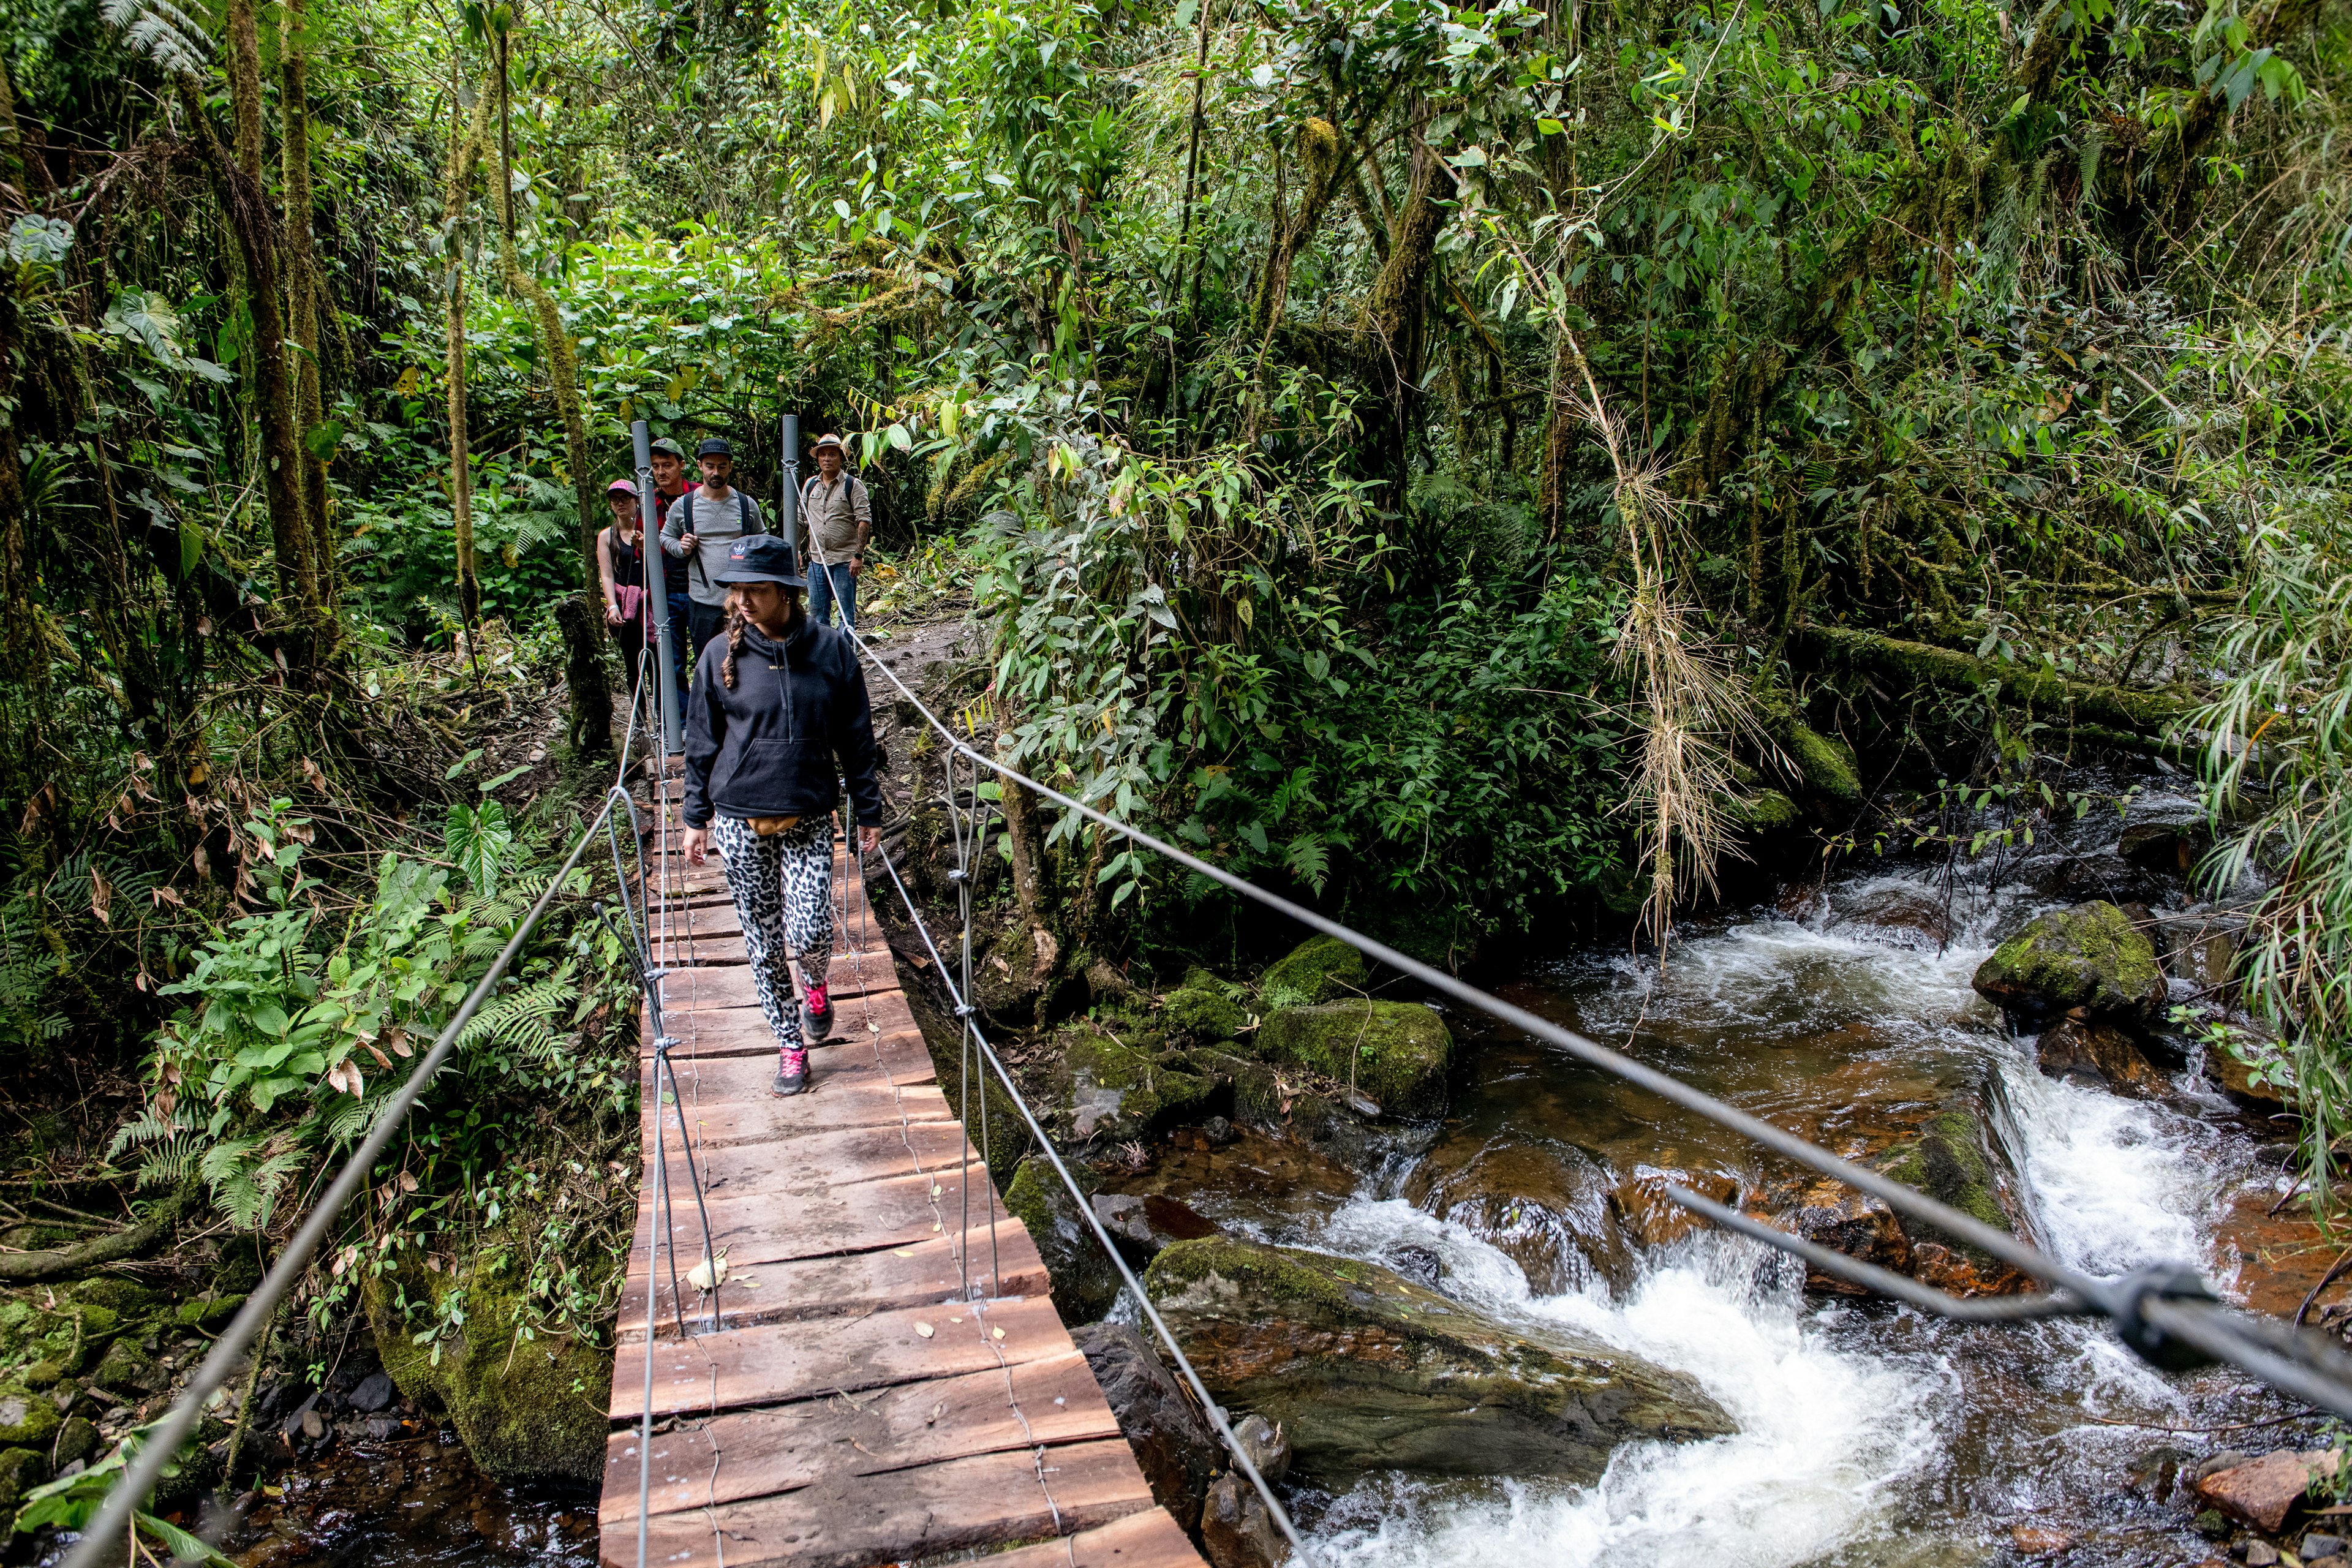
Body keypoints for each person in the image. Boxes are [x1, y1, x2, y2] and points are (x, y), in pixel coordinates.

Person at [680, 536, 884, 1096]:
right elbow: (701, 739)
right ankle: (790, 1045)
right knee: (764, 942)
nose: (743, 600)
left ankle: (815, 981)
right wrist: (694, 816)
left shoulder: (831, 649)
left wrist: (868, 808)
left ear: (788, 593)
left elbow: (857, 737)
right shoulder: (720, 653)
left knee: (811, 929)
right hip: (740, 817)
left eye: (756, 590)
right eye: (736, 590)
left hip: (812, 815)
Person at [661, 437, 766, 671]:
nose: (715, 472)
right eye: (710, 466)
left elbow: (762, 538)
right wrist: (682, 547)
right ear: (700, 466)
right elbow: (665, 537)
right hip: (703, 601)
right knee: (708, 662)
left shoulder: (745, 504)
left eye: (721, 466)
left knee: (747, 660)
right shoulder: (684, 506)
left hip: (742, 601)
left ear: (730, 466)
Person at [799, 432, 872, 630]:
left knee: (846, 613)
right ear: (818, 458)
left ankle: (847, 652)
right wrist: (797, 551)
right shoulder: (810, 486)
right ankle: (822, 655)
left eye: (832, 454)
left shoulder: (852, 485)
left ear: (841, 457)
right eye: (823, 455)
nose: (827, 459)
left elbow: (864, 520)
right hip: (817, 560)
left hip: (845, 561)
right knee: (817, 613)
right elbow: (800, 519)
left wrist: (858, 555)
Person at [646, 437, 698, 700]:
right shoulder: (648, 503)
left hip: (701, 590)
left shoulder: (701, 495)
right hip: (666, 591)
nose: (660, 472)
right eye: (655, 466)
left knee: (708, 655)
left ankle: (710, 718)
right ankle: (682, 722)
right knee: (672, 659)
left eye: (667, 465)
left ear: (682, 465)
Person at [597, 478, 650, 687]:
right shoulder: (607, 536)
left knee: (655, 663)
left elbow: (659, 566)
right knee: (632, 667)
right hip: (625, 607)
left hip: (650, 605)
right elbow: (607, 574)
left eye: (626, 498)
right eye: (615, 499)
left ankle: (660, 715)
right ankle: (638, 718)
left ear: (636, 501)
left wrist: (645, 547)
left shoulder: (650, 530)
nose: (620, 503)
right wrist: (612, 606)